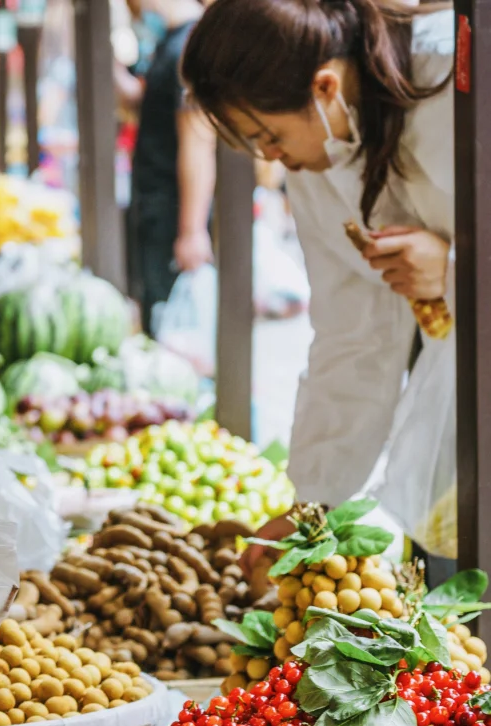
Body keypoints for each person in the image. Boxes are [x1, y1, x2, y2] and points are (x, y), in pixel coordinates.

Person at [181, 0, 453, 512]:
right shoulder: (318, 159)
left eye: (269, 136)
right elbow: (352, 334)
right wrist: (313, 501)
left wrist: (457, 271)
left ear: (325, 86)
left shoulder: (453, 79)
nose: (272, 158)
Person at [126, 0, 217, 334]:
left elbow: (198, 142)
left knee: (172, 326)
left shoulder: (189, 47)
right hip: (158, 209)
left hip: (172, 214)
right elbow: (143, 105)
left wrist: (191, 230)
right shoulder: (172, 42)